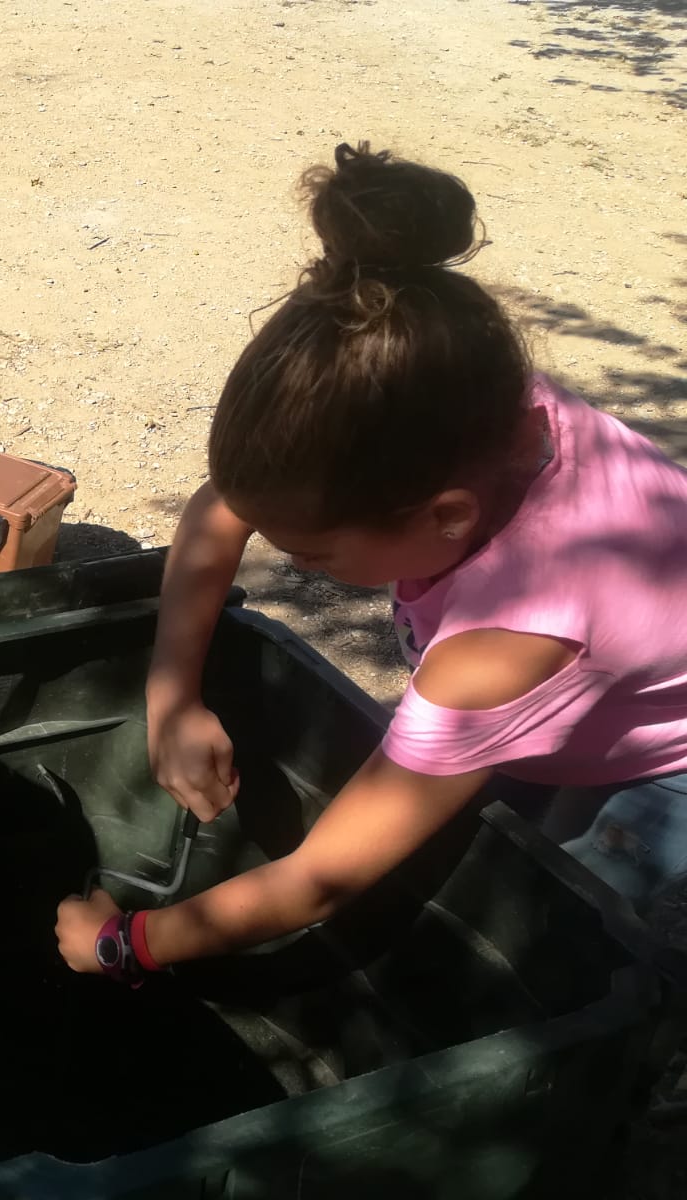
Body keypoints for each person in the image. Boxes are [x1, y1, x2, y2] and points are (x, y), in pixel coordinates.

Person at [56, 142, 687, 986]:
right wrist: (172, 696)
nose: (296, 560)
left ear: (447, 516)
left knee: (562, 918)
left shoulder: (496, 649)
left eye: (311, 553)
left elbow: (321, 880)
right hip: (608, 663)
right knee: (484, 818)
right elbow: (226, 507)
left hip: (666, 758)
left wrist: (122, 944)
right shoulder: (460, 399)